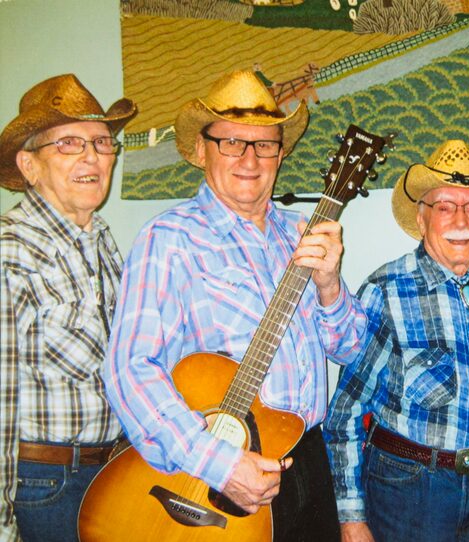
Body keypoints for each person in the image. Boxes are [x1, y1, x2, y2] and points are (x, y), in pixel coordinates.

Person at [103, 70, 366, 542]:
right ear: (202, 149)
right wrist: (219, 463)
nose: (249, 159)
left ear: (281, 153)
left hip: (307, 458)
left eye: (264, 144)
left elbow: (349, 349)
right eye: (231, 142)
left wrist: (329, 286)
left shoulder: (302, 233)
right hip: (209, 467)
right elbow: (130, 369)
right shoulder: (170, 239)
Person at [324, 139, 469, 542]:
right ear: (422, 217)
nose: (459, 220)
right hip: (409, 488)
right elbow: (345, 412)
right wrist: (351, 518)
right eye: (444, 207)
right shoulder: (386, 290)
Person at [0, 74, 136, 541]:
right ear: (29, 165)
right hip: (45, 484)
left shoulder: (101, 241)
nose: (92, 157)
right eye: (69, 144)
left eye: (101, 142)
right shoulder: (11, 249)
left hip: (112, 471)